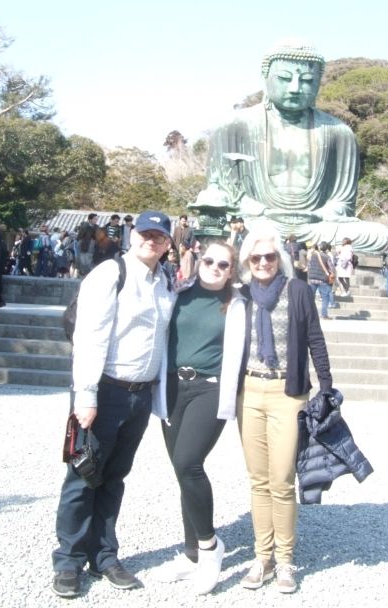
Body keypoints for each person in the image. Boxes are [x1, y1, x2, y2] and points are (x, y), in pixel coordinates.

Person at [51, 210, 174, 599]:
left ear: (169, 243)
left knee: (115, 476)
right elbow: (89, 336)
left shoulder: (164, 280)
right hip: (103, 390)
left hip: (139, 393)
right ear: (131, 235)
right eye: (145, 234)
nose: (150, 241)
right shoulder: (110, 274)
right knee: (82, 475)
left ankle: (104, 555)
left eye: (159, 236)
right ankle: (69, 558)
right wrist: (85, 395)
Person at [204, 41, 388, 254]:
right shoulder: (235, 126)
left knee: (377, 234)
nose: (294, 88)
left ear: (319, 83)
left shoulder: (339, 133)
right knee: (220, 226)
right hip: (256, 221)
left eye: (307, 81)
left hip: (315, 226)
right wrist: (264, 211)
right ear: (266, 77)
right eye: (283, 78)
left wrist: (319, 215)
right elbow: (222, 193)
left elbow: (343, 202)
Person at [236, 220, 333, 594]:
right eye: (256, 256)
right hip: (249, 391)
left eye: (270, 255)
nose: (263, 261)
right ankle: (262, 557)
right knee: (258, 481)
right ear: (248, 259)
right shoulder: (240, 294)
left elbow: (315, 339)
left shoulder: (298, 291)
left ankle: (286, 560)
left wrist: (326, 386)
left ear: (280, 257)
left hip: (286, 393)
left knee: (281, 480)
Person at [154, 241, 247, 596]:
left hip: (210, 389)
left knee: (188, 462)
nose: (215, 267)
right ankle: (191, 553)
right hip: (174, 387)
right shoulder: (177, 292)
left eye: (224, 264)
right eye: (209, 260)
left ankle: (209, 547)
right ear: (199, 261)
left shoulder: (237, 304)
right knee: (181, 471)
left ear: (232, 270)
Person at [306, 242, 333, 320]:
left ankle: (309, 314)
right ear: (327, 249)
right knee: (325, 297)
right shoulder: (327, 257)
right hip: (323, 279)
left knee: (310, 297)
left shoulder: (313, 255)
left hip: (312, 278)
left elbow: (309, 265)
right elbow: (332, 268)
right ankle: (324, 315)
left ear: (320, 247)